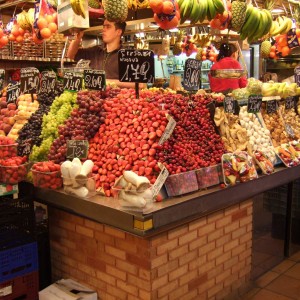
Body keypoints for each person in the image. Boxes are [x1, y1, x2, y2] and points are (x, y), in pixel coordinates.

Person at [67, 19, 135, 89]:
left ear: (118, 32)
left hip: (115, 98)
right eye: (103, 26)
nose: (103, 30)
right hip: (94, 98)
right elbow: (71, 55)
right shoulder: (96, 51)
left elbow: (140, 84)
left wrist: (105, 81)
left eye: (108, 27)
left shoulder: (127, 56)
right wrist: (78, 38)